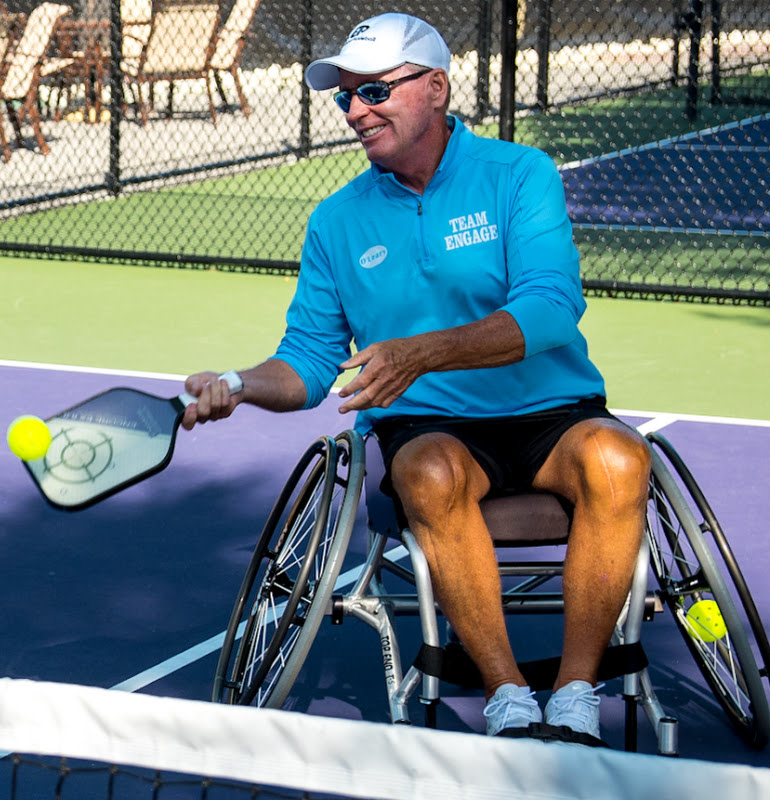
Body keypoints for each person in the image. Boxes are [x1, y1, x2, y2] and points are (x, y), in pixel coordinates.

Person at [182, 12, 651, 743]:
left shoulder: (519, 174)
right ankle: (508, 699)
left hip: (551, 412)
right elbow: (308, 362)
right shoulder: (336, 221)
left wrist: (419, 353)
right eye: (344, 98)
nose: (355, 112)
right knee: (429, 473)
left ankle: (576, 693)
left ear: (434, 88)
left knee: (621, 459)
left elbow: (551, 310)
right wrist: (238, 385)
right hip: (428, 427)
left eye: (372, 91)